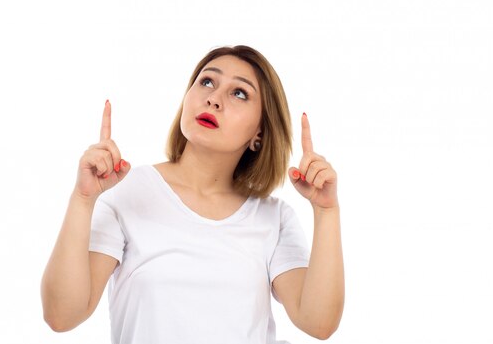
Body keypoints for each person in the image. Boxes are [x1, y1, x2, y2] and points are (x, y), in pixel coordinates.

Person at [40, 45, 344, 343]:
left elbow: (318, 323)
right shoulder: (129, 191)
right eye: (207, 81)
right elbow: (62, 315)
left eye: (239, 93)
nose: (213, 99)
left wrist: (326, 212)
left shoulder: (273, 217)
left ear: (259, 134)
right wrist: (83, 200)